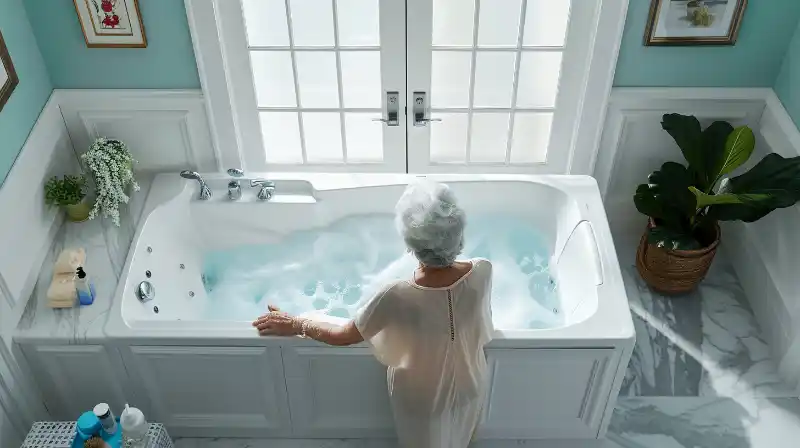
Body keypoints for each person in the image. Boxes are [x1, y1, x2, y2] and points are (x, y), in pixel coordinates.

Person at [252, 180, 494, 448]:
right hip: (472, 386)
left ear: (411, 242)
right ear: (459, 230)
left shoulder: (397, 294)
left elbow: (344, 335)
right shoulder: (483, 270)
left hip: (425, 402)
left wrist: (298, 323)